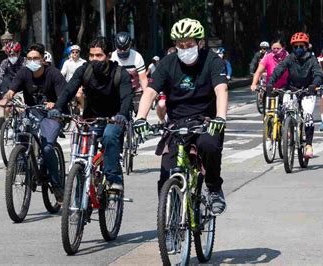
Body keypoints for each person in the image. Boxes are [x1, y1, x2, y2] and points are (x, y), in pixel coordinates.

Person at [133, 18, 228, 215]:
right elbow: (150, 91)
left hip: (207, 121)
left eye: (189, 44)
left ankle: (214, 188)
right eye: (180, 45)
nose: (185, 49)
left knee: (208, 146)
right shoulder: (167, 63)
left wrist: (220, 117)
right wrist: (141, 118)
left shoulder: (212, 61)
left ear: (200, 43)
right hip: (177, 123)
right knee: (166, 171)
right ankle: (169, 220)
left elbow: (221, 89)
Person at [49, 36, 134, 192]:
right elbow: (69, 89)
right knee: (81, 158)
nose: (94, 59)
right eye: (92, 55)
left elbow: (127, 97)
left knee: (109, 137)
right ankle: (76, 201)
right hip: (90, 119)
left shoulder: (120, 73)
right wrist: (58, 108)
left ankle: (113, 179)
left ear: (108, 56)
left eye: (99, 55)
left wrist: (122, 114)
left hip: (114, 119)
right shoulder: (84, 70)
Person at [0, 43, 67, 202]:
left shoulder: (54, 74)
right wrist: (5, 99)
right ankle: (22, 161)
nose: (32, 61)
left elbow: (63, 97)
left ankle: (57, 186)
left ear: (43, 60)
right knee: (21, 131)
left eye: (36, 58)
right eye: (29, 58)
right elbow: (11, 90)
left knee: (48, 147)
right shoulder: (23, 72)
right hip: (32, 112)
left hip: (52, 114)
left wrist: (55, 105)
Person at [267, 32, 323, 158]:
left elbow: (318, 73)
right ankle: (289, 131)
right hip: (291, 89)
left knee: (307, 116)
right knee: (287, 110)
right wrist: (271, 83)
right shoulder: (289, 58)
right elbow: (279, 70)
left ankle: (308, 144)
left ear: (306, 47)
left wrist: (314, 84)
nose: (298, 49)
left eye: (301, 46)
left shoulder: (312, 59)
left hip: (308, 90)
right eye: (295, 47)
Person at [111, 32, 148, 115]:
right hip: (119, 91)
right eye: (120, 49)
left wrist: (147, 95)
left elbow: (143, 79)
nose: (123, 51)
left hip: (136, 91)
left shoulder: (137, 57)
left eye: (125, 49)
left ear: (130, 46)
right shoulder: (112, 57)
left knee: (141, 113)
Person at [61, 45, 87, 112]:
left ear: (79, 53)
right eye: (73, 52)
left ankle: (82, 111)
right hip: (69, 84)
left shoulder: (83, 62)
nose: (75, 53)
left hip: (80, 85)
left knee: (79, 95)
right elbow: (63, 73)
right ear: (71, 53)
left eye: (76, 52)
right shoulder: (67, 62)